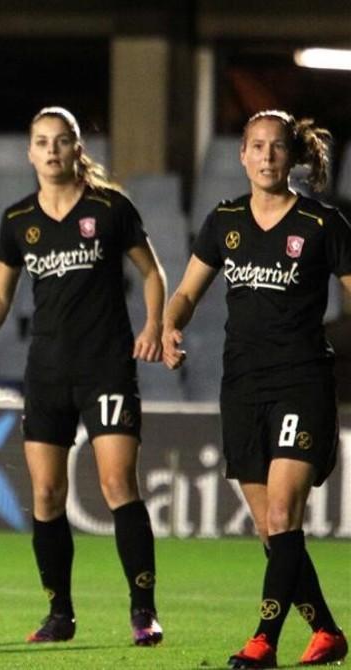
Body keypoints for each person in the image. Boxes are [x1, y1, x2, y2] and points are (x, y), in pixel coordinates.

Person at [0, 106, 167, 647]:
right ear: (30, 152)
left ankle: (143, 611)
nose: (51, 150)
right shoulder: (16, 220)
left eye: (61, 141)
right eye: (41, 142)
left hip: (106, 368)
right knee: (47, 494)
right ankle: (60, 614)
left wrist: (154, 325)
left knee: (118, 483)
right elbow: (1, 294)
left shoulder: (110, 208)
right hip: (46, 372)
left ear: (77, 149)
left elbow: (153, 271)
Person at [162, 110, 349, 669]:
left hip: (302, 383)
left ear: (292, 158)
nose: (267, 156)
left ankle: (263, 641)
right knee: (272, 531)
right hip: (241, 387)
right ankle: (328, 633)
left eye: (277, 147)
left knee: (282, 516)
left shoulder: (322, 224)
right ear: (242, 155)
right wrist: (171, 324)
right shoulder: (224, 222)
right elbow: (188, 292)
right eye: (257, 146)